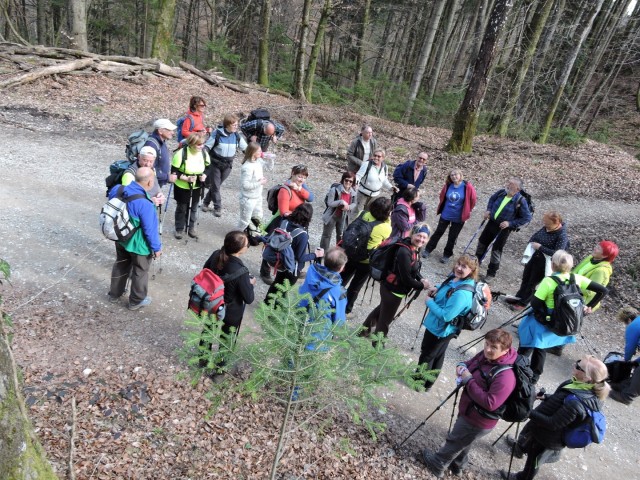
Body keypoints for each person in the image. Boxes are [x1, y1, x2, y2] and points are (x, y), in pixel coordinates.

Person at [420, 329, 517, 478]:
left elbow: (490, 403)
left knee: (456, 439)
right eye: (486, 344)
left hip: (478, 420)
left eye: (494, 347)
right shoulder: (487, 356)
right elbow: (471, 363)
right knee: (465, 440)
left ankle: (437, 464)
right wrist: (461, 366)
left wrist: (468, 380)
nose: (488, 349)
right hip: (470, 409)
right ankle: (458, 465)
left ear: (505, 350)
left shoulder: (506, 377)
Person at [502, 356, 610, 480]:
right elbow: (560, 398)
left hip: (548, 438)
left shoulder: (576, 404)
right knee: (528, 437)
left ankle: (522, 478)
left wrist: (527, 411)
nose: (574, 365)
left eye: (578, 366)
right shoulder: (577, 384)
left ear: (587, 378)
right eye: (577, 361)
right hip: (540, 428)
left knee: (534, 461)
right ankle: (520, 448)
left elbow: (552, 423)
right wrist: (546, 397)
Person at [517, 250, 608, 384]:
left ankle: (517, 372)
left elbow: (535, 303)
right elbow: (603, 290)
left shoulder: (548, 281)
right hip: (559, 319)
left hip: (543, 319)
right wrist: (590, 305)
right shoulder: (576, 278)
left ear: (553, 265)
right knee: (541, 348)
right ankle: (533, 378)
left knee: (526, 344)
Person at [417, 254, 479, 390]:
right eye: (458, 263)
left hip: (441, 329)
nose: (459, 268)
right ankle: (428, 383)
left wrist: (430, 302)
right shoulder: (459, 280)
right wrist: (438, 288)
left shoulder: (462, 294)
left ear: (472, 271)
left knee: (427, 355)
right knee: (437, 355)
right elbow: (450, 286)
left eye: (464, 266)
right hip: (444, 329)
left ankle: (418, 382)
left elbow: (446, 316)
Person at [200, 231, 255, 380]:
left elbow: (204, 272)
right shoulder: (241, 271)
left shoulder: (215, 255)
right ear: (239, 249)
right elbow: (249, 298)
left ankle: (202, 359)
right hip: (231, 311)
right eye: (246, 244)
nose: (248, 246)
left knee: (208, 331)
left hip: (212, 304)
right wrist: (250, 284)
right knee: (227, 338)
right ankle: (220, 371)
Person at [361, 225, 431, 339]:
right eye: (419, 235)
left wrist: (421, 278)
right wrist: (421, 285)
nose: (421, 239)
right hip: (393, 290)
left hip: (390, 287)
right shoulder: (404, 251)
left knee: (381, 311)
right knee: (385, 321)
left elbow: (413, 269)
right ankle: (377, 347)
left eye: (424, 237)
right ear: (412, 234)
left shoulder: (413, 248)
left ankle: (362, 332)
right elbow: (406, 278)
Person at [108, 167, 162, 310]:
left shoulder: (118, 189)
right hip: (138, 244)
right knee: (140, 270)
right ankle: (136, 301)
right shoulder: (145, 203)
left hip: (120, 237)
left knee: (120, 264)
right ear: (150, 182)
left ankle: (114, 294)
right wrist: (156, 248)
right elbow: (150, 231)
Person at [259, 164, 315, 284]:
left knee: (291, 247)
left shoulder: (301, 186)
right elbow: (284, 212)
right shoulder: (285, 189)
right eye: (299, 176)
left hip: (296, 222)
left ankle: (291, 268)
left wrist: (299, 189)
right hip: (283, 223)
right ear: (293, 174)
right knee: (274, 245)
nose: (302, 180)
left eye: (304, 178)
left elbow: (311, 198)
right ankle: (265, 271)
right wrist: (299, 216)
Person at [506, 211, 569, 311]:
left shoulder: (562, 236)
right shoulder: (546, 228)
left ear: (556, 223)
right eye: (545, 223)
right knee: (525, 278)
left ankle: (523, 303)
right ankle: (518, 297)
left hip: (544, 263)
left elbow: (558, 253)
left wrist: (540, 247)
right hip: (534, 257)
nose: (545, 226)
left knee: (532, 283)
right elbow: (535, 236)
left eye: (548, 224)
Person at [340, 197, 393, 314]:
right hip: (366, 261)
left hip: (350, 253)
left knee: (342, 279)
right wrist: (388, 218)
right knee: (355, 286)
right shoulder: (386, 228)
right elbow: (386, 239)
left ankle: (331, 301)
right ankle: (346, 310)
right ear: (387, 212)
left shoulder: (362, 214)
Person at [264, 203, 324, 302]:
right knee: (284, 290)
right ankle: (274, 312)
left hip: (280, 262)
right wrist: (316, 255)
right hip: (292, 269)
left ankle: (266, 303)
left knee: (276, 284)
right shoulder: (302, 235)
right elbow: (300, 257)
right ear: (308, 218)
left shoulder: (284, 222)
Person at [475, 177, 532, 280]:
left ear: (518, 189)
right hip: (491, 223)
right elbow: (492, 199)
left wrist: (510, 223)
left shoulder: (520, 201)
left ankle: (491, 274)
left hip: (503, 229)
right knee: (482, 243)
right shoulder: (502, 192)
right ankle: (475, 265)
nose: (508, 185)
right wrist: (488, 210)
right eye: (508, 182)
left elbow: (527, 217)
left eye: (511, 184)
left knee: (496, 250)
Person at [298, 247, 348, 350]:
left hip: (299, 317)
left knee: (296, 349)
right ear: (341, 268)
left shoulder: (312, 270)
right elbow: (339, 321)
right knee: (311, 356)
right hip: (318, 331)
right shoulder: (339, 292)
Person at [423, 169, 477, 263]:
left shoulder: (467, 187)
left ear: (460, 175)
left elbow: (472, 200)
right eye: (451, 175)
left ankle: (447, 254)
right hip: (446, 214)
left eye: (456, 174)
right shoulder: (448, 185)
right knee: (438, 232)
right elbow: (442, 196)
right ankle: (428, 250)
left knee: (452, 236)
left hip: (458, 217)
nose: (454, 176)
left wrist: (467, 211)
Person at [201, 113, 248, 216]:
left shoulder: (236, 136)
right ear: (227, 125)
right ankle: (218, 208)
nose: (236, 127)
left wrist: (258, 154)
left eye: (237, 125)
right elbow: (207, 147)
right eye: (234, 125)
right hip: (215, 163)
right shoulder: (217, 133)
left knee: (215, 185)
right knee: (216, 186)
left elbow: (246, 149)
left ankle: (205, 202)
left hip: (228, 165)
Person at [170, 132, 209, 240]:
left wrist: (204, 175)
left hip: (197, 185)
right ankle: (179, 228)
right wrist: (185, 178)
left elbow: (208, 167)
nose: (202, 146)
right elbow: (174, 171)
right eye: (199, 144)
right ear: (191, 144)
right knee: (182, 208)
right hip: (182, 186)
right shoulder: (181, 154)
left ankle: (191, 227)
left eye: (203, 144)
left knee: (194, 207)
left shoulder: (204, 153)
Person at [236, 142, 273, 232]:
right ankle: (235, 236)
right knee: (244, 221)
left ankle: (255, 234)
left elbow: (269, 168)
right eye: (259, 151)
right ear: (253, 153)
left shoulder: (258, 161)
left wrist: (270, 159)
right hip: (248, 199)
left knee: (258, 217)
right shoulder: (247, 167)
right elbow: (245, 185)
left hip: (257, 197)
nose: (261, 152)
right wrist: (260, 183)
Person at [608, 306, 640, 405]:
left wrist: (626, 360)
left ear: (629, 320)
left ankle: (627, 396)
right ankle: (624, 386)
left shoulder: (633, 326)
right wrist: (636, 362)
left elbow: (630, 348)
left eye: (625, 323)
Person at [319, 172, 357, 253]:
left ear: (353, 183)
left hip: (343, 216)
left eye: (350, 181)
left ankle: (338, 254)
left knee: (341, 236)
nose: (348, 183)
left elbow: (354, 203)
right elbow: (330, 203)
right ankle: (323, 253)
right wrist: (341, 202)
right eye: (346, 180)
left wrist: (349, 207)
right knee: (327, 235)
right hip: (332, 215)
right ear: (343, 180)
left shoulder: (353, 192)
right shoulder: (335, 189)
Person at [354, 149, 396, 216]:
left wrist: (391, 187)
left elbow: (384, 180)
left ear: (383, 158)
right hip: (362, 194)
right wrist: (356, 183)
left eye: (379, 156)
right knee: (357, 214)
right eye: (375, 155)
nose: (376, 158)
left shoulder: (385, 167)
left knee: (369, 214)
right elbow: (358, 176)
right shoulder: (367, 164)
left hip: (375, 196)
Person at [144, 118, 177, 188]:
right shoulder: (151, 145)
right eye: (169, 130)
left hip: (156, 182)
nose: (173, 133)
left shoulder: (161, 141)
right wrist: (167, 177)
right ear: (160, 131)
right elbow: (148, 168)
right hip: (151, 185)